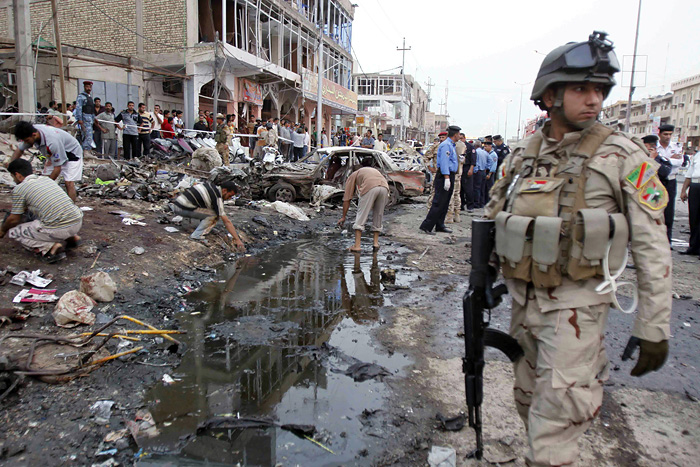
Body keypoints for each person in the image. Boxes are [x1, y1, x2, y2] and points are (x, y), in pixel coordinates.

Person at [486, 31, 671, 466]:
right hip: (522, 305)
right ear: (550, 95)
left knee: (555, 428)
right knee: (528, 403)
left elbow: (652, 247)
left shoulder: (624, 156)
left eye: (599, 90)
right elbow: (494, 219)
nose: (594, 100)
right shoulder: (522, 156)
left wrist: (653, 326)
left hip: (576, 312)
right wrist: (484, 278)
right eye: (581, 88)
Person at [1, 159, 83, 263]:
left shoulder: (20, 189)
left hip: (59, 228)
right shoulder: (46, 180)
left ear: (17, 175)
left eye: (13, 177)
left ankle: (50, 248)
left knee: (15, 232)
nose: (14, 180)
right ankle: (72, 238)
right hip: (77, 221)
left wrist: (3, 230)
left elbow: (14, 219)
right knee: (49, 215)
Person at [10, 122, 83, 202]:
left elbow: (57, 168)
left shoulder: (52, 142)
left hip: (72, 153)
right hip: (54, 152)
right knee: (45, 177)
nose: (26, 143)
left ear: (34, 135)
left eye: (27, 140)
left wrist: (46, 187)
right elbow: (19, 150)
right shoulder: (31, 131)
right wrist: (11, 166)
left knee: (68, 182)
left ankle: (71, 207)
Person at [169, 180, 245, 251]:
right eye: (229, 196)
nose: (229, 198)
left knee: (211, 211)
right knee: (214, 215)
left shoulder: (211, 186)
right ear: (224, 190)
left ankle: (196, 227)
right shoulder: (217, 197)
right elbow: (227, 222)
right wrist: (237, 240)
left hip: (179, 205)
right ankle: (196, 235)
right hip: (182, 208)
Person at [337, 157, 390, 251]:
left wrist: (343, 217)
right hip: (385, 187)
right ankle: (375, 243)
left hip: (370, 186)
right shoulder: (373, 171)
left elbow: (347, 198)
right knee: (378, 214)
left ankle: (357, 246)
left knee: (361, 214)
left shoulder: (354, 175)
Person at [419, 125, 460, 234]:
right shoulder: (446, 145)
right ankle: (427, 226)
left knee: (445, 202)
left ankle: (440, 224)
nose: (459, 136)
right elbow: (444, 162)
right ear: (455, 134)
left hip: (449, 174)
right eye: (459, 134)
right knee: (438, 202)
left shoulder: (451, 145)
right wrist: (446, 177)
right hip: (444, 175)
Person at [656, 124, 683, 243]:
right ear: (659, 134)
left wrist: (662, 159)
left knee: (669, 211)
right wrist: (670, 159)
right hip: (657, 181)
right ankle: (655, 240)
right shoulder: (655, 147)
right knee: (655, 208)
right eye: (665, 134)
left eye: (670, 134)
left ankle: (667, 241)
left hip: (671, 181)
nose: (668, 137)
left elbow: (679, 162)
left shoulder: (675, 147)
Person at [680, 148, 700, 257]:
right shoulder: (696, 156)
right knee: (693, 217)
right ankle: (693, 247)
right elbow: (689, 174)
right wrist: (683, 190)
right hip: (695, 186)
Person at [446, 133, 467, 223]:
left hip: (452, 172)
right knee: (457, 194)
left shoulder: (450, 145)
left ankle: (449, 216)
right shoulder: (463, 145)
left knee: (450, 194)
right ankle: (457, 214)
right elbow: (463, 159)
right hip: (459, 172)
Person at [74, 80, 96, 152]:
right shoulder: (81, 97)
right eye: (87, 86)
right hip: (85, 119)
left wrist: (94, 118)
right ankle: (86, 151)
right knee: (86, 136)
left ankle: (88, 151)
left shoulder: (89, 97)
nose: (88, 88)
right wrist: (79, 119)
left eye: (90, 87)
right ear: (84, 87)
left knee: (89, 137)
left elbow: (91, 109)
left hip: (90, 120)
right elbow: (79, 108)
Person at [461, 138, 477, 212]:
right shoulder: (458, 146)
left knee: (468, 189)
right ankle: (461, 205)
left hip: (467, 167)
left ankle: (470, 206)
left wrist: (471, 169)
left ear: (464, 138)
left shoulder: (470, 147)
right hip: (460, 168)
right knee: (460, 189)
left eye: (461, 138)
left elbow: (473, 160)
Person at [472, 140, 488, 208]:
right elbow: (490, 161)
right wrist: (486, 167)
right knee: (482, 188)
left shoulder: (476, 152)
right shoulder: (485, 152)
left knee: (476, 188)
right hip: (483, 172)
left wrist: (475, 170)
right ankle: (482, 203)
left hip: (478, 171)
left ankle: (476, 203)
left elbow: (476, 162)